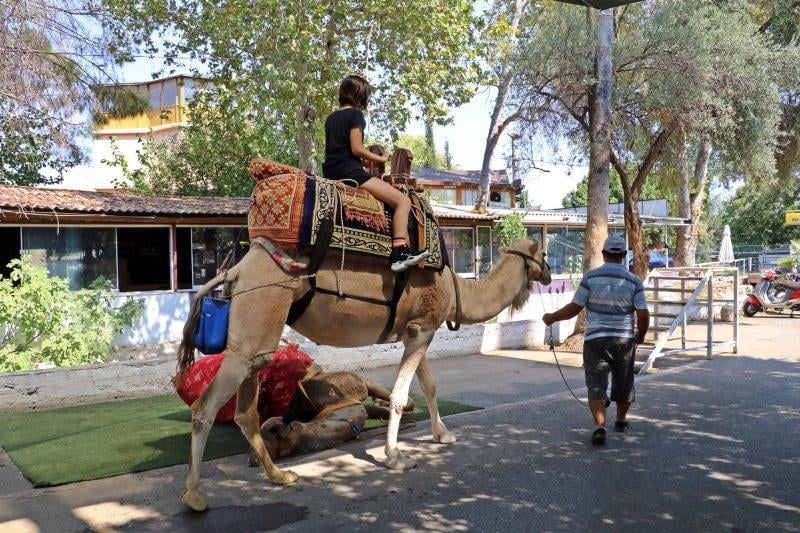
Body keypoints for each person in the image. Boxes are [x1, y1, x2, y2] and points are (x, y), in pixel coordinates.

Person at [542, 235, 650, 445]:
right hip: (623, 340)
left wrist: (553, 317)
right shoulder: (634, 281)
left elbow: (575, 307)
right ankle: (620, 420)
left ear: (604, 254)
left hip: (595, 340)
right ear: (624, 255)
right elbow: (643, 314)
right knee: (624, 382)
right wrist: (641, 335)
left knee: (596, 384)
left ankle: (600, 426)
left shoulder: (591, 278)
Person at [323, 74, 428, 272]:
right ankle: (400, 251)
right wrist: (383, 159)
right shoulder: (356, 115)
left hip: (331, 170)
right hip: (351, 172)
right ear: (360, 95)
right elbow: (356, 149)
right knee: (403, 201)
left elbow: (339, 150)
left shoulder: (331, 118)